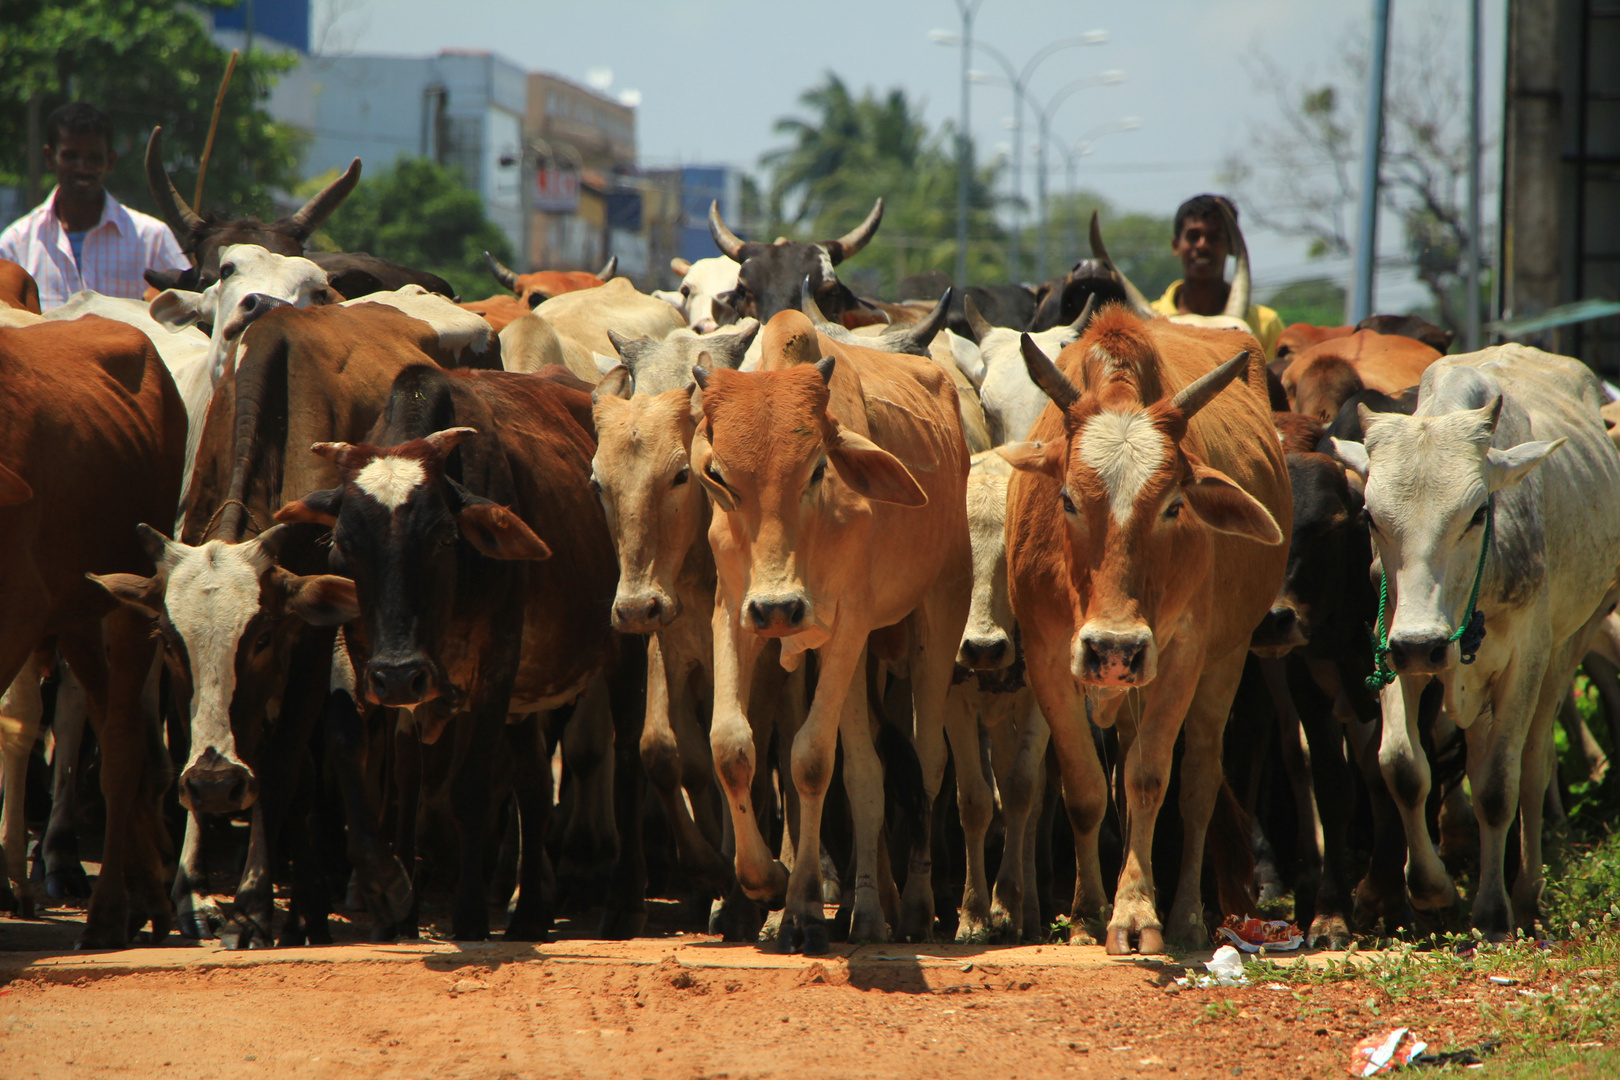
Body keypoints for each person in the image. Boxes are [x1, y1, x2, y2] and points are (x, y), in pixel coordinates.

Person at [0, 102, 189, 310]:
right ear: (50, 157)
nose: (83, 168)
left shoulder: (151, 238)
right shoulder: (15, 245)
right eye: (71, 156)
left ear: (110, 161)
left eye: (94, 157)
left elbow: (188, 302)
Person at [1150, 193, 1283, 363]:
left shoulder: (1265, 325)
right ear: (1176, 246)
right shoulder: (1149, 320)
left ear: (1233, 246)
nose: (1202, 245)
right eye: (1193, 236)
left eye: (1214, 237)